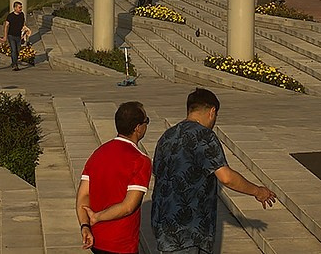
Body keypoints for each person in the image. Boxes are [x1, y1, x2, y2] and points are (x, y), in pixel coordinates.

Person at [151, 89, 277, 253]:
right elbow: (226, 177)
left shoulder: (167, 136)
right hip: (190, 233)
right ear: (212, 112)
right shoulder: (204, 136)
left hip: (164, 229)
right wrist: (257, 191)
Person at [76, 101, 152, 254]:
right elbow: (128, 206)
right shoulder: (140, 160)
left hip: (97, 240)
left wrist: (85, 225)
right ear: (138, 128)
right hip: (121, 243)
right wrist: (97, 217)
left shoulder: (98, 154)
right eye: (146, 122)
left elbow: (83, 195)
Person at [3, 1, 29, 72]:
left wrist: (24, 33)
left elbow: (23, 24)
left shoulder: (22, 15)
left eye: (21, 7)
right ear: (15, 8)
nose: (21, 9)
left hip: (18, 36)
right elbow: (6, 26)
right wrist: (5, 36)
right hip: (11, 35)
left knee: (17, 51)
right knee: (13, 50)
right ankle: (15, 65)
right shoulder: (10, 16)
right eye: (19, 7)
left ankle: (13, 62)